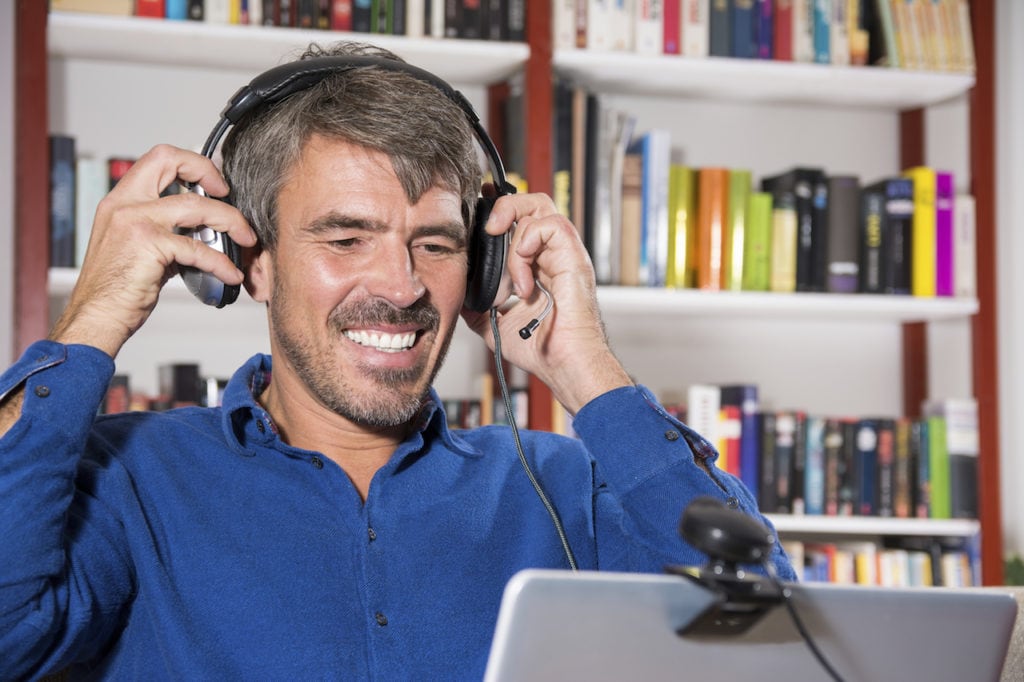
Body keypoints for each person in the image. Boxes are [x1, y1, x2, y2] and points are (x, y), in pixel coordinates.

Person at [0, 41, 795, 679]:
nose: (402, 285)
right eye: (346, 238)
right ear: (249, 259)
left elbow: (777, 639)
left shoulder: (564, 488)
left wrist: (586, 367)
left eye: (437, 243)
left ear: (483, 268)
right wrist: (94, 319)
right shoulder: (131, 478)